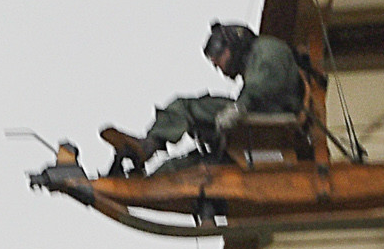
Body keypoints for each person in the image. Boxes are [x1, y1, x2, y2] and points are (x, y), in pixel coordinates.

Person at [101, 22, 305, 175]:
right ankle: (147, 171)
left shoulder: (268, 48)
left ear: (232, 44)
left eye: (219, 58)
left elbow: (264, 84)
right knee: (189, 164)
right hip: (255, 121)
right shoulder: (254, 67)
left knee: (187, 108)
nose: (220, 68)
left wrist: (239, 108)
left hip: (273, 119)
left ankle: (148, 148)